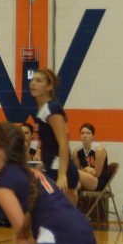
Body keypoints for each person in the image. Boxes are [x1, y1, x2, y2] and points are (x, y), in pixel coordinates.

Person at [31, 69, 80, 204]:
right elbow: (49, 143)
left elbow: (63, 143)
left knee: (67, 219)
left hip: (61, 170)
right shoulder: (43, 110)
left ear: (49, 86)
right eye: (33, 80)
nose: (33, 83)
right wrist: (42, 163)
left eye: (39, 80)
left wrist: (62, 174)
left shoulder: (52, 109)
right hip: (52, 167)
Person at [74, 123, 109, 192]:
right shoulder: (76, 151)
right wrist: (86, 169)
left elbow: (97, 174)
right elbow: (76, 172)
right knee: (72, 185)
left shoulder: (99, 150)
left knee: (71, 172)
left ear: (93, 136)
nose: (85, 135)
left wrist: (83, 171)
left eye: (88, 133)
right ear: (80, 136)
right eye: (82, 133)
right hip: (85, 179)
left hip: (98, 182)